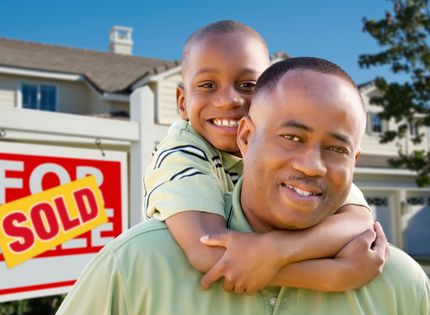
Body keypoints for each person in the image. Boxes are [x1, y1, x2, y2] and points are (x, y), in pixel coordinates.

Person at [38, 57, 429, 315]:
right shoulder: (136, 264)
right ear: (245, 137)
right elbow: (210, 252)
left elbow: (356, 216)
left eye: (335, 148)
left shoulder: (401, 285)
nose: (313, 165)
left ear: (354, 161)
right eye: (291, 138)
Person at [144, 20, 380, 293]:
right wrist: (334, 276)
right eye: (208, 85)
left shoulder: (285, 150)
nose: (228, 100)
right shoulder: (180, 153)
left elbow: (358, 220)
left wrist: (276, 249)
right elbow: (208, 250)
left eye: (247, 85)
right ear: (182, 103)